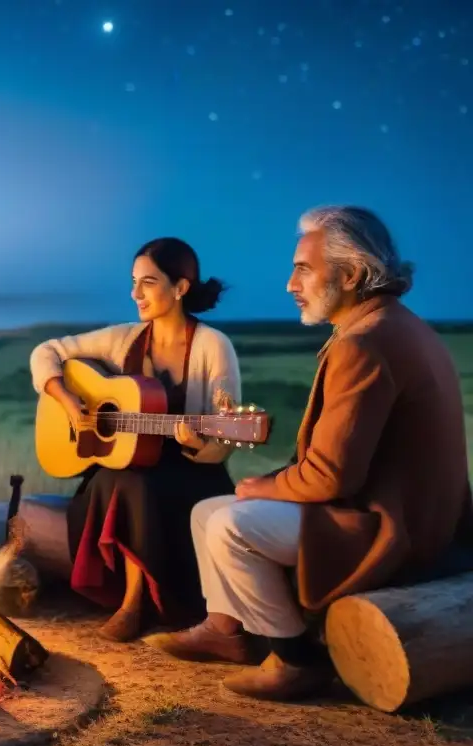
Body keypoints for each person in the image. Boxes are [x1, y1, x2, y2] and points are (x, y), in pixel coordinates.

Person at [148, 205, 473, 701]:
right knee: (205, 511)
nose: (289, 284)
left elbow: (331, 476)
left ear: (353, 274)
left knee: (231, 525)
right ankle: (224, 629)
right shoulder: (394, 325)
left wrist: (262, 486)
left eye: (303, 268)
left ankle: (296, 660)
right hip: (412, 516)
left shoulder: (365, 343)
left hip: (391, 529)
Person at [29, 237, 242, 642]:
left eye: (147, 282)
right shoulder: (123, 338)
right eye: (133, 282)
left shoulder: (213, 346)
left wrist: (195, 440)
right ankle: (133, 600)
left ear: (180, 287)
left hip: (191, 474)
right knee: (125, 476)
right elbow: (47, 351)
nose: (135, 293)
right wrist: (69, 400)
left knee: (133, 480)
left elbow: (223, 441)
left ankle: (136, 604)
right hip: (126, 468)